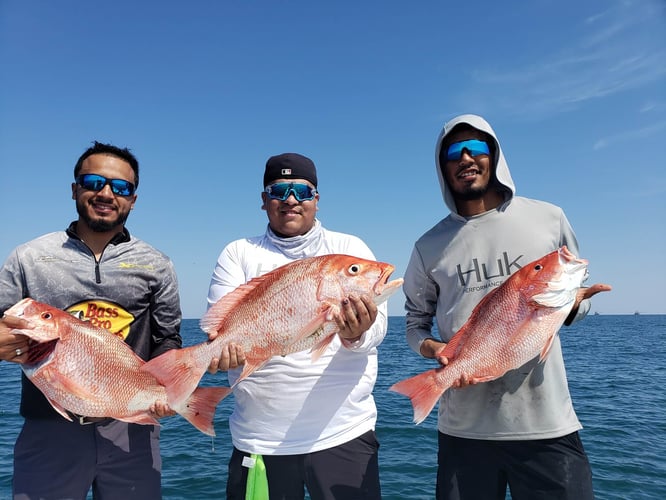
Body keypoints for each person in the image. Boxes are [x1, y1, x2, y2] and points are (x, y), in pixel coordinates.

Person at [402, 114, 611, 500]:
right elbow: (415, 322)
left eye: (477, 148)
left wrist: (574, 305)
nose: (466, 158)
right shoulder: (428, 245)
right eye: (454, 151)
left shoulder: (548, 218)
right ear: (442, 166)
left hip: (546, 425)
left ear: (494, 155)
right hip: (463, 432)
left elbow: (571, 301)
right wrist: (435, 351)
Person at [0, 141, 182, 499]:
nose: (106, 193)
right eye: (93, 181)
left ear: (133, 198)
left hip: (130, 430)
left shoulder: (156, 264)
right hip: (48, 429)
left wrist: (169, 392)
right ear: (74, 189)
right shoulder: (30, 257)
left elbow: (167, 339)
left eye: (121, 187)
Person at [206, 152, 387, 500]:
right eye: (279, 190)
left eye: (302, 192)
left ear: (317, 200)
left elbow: (376, 332)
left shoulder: (349, 248)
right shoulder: (239, 253)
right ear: (264, 200)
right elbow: (219, 327)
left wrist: (357, 332)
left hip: (343, 433)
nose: (291, 200)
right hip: (260, 439)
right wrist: (219, 351)